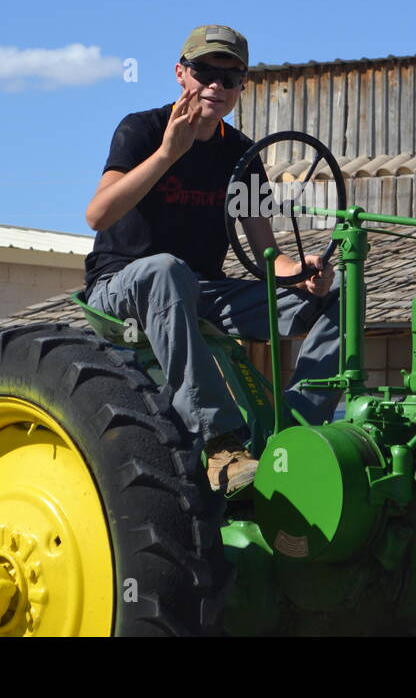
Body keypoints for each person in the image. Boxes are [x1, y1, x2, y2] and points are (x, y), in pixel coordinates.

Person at [83, 24, 341, 493]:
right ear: (181, 74)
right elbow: (98, 215)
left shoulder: (241, 154)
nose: (216, 86)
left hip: (202, 292)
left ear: (243, 84)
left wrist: (303, 275)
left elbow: (269, 257)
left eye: (231, 76)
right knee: (166, 268)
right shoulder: (142, 130)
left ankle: (301, 421)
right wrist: (167, 154)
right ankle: (220, 443)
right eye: (205, 72)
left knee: (340, 289)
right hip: (121, 288)